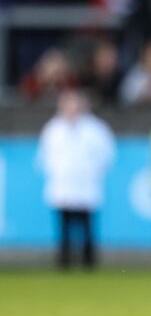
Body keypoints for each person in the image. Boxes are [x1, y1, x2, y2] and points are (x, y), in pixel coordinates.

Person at [37, 89, 115, 268]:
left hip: (87, 184)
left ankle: (89, 260)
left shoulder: (96, 129)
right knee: (63, 224)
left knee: (87, 224)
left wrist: (93, 172)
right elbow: (44, 156)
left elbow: (107, 155)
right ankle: (64, 259)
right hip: (62, 184)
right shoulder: (53, 128)